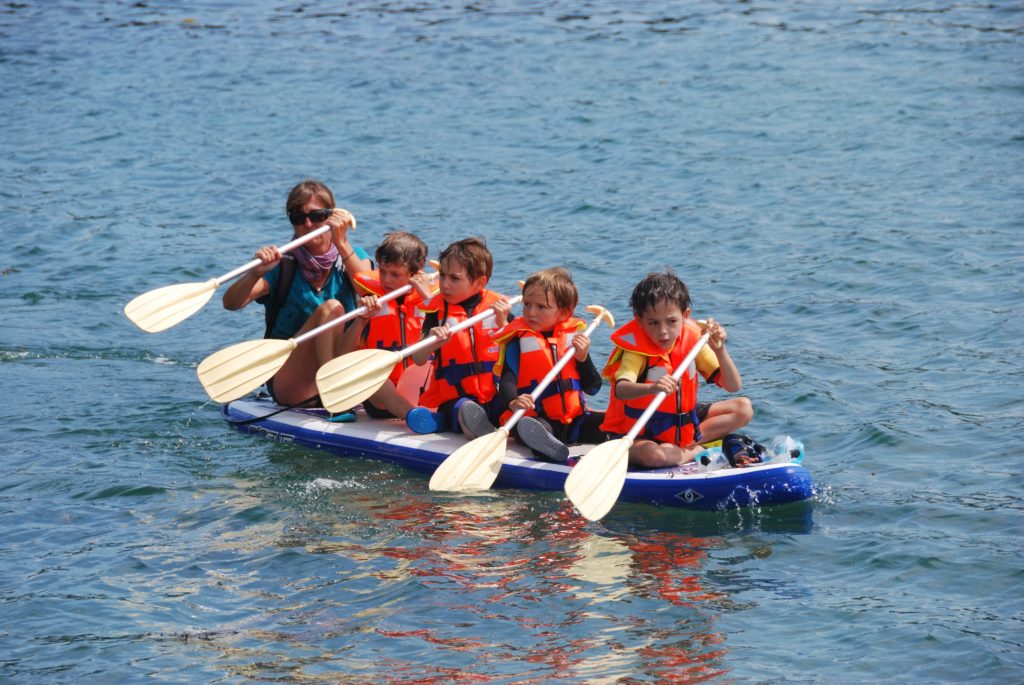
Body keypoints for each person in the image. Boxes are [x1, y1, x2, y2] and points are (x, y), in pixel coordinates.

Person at [221, 179, 371, 408]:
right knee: (332, 309)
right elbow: (231, 303)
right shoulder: (283, 264)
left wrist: (342, 244)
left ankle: (339, 386)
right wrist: (255, 273)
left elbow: (371, 292)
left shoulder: (353, 255)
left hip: (345, 369)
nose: (308, 224)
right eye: (298, 218)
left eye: (317, 216)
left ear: (332, 216)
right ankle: (336, 391)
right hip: (294, 382)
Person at [600, 271, 753, 468]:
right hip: (639, 433)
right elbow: (621, 389)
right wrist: (652, 388)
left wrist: (720, 349)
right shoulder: (636, 351)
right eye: (653, 323)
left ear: (685, 315)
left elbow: (732, 386)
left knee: (744, 409)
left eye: (671, 321)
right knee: (655, 457)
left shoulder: (693, 342)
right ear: (639, 320)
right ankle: (695, 450)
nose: (663, 331)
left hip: (679, 426)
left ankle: (683, 447)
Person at [467, 267, 604, 463]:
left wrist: (583, 359)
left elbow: (593, 387)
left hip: (575, 422)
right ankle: (546, 446)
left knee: (612, 422)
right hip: (536, 417)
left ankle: (621, 442)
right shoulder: (518, 341)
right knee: (530, 426)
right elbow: (507, 380)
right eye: (527, 304)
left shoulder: (574, 341)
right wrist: (513, 402)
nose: (531, 312)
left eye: (541, 307)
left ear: (564, 312)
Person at [404, 237, 512, 435]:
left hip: (495, 395)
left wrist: (503, 325)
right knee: (463, 409)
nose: (444, 284)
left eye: (454, 278)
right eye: (442, 275)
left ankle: (508, 427)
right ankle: (466, 426)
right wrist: (432, 344)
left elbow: (516, 357)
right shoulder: (437, 313)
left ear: (480, 282)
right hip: (456, 399)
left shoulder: (497, 309)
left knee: (511, 409)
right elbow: (418, 359)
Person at [338, 231, 436, 420]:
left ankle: (421, 415)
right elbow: (343, 355)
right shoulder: (369, 301)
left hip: (423, 388)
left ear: (416, 272)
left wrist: (428, 299)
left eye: (395, 274)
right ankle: (414, 417)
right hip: (382, 399)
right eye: (382, 271)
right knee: (373, 377)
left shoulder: (433, 300)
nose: (386, 280)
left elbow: (455, 338)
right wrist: (362, 319)